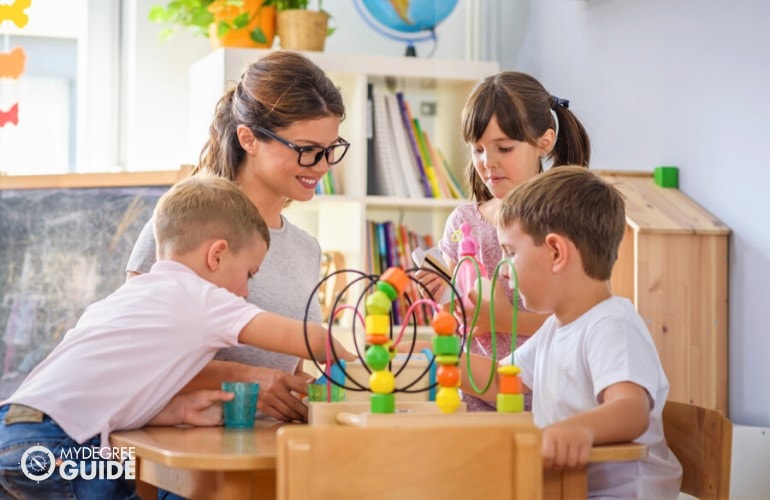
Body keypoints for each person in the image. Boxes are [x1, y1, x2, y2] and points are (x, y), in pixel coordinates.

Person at [0, 175, 355, 499]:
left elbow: (109, 391)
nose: (246, 291)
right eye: (249, 274)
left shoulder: (124, 300)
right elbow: (301, 337)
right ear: (216, 255)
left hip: (18, 432)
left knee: (121, 479)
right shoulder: (203, 298)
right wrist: (359, 364)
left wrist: (179, 410)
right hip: (61, 444)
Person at [126, 51, 349, 422]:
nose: (323, 166)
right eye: (307, 151)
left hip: (273, 451)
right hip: (191, 448)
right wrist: (246, 379)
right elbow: (133, 354)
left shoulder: (306, 249)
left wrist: (301, 388)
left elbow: (283, 371)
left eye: (330, 150)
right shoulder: (184, 226)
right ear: (248, 139)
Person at [497, 166, 682, 497]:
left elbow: (632, 409)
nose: (503, 271)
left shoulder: (612, 324)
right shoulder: (555, 327)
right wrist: (436, 364)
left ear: (556, 252)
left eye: (510, 252)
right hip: (570, 487)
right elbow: (501, 379)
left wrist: (579, 429)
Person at [417, 71, 591, 411]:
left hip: (544, 403)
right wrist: (442, 299)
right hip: (470, 397)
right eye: (478, 149)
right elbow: (459, 322)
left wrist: (504, 318)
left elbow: (582, 323)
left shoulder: (570, 221)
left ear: (545, 142)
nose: (487, 162)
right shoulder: (463, 222)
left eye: (504, 148)